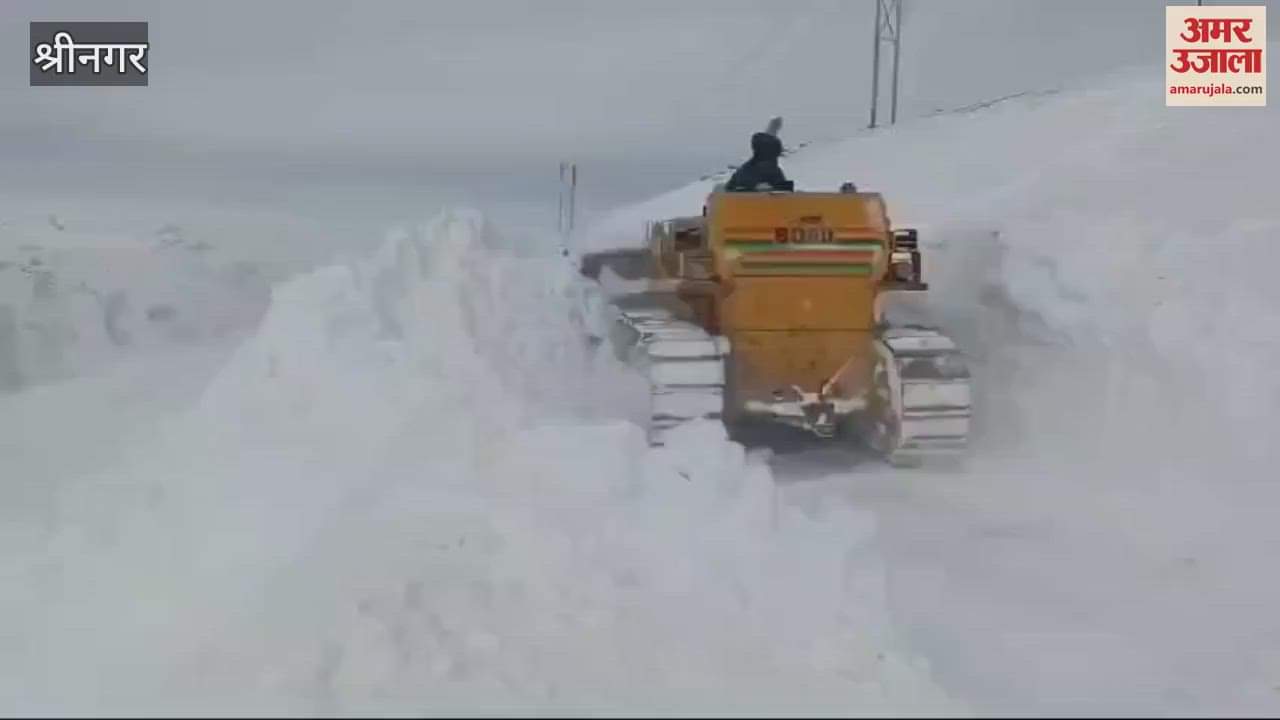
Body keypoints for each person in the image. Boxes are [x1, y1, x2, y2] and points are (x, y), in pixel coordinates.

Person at [725, 130, 791, 192]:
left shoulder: (776, 171)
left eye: (775, 158)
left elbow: (786, 191)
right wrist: (754, 188)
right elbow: (731, 189)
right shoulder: (744, 173)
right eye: (772, 157)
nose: (774, 161)